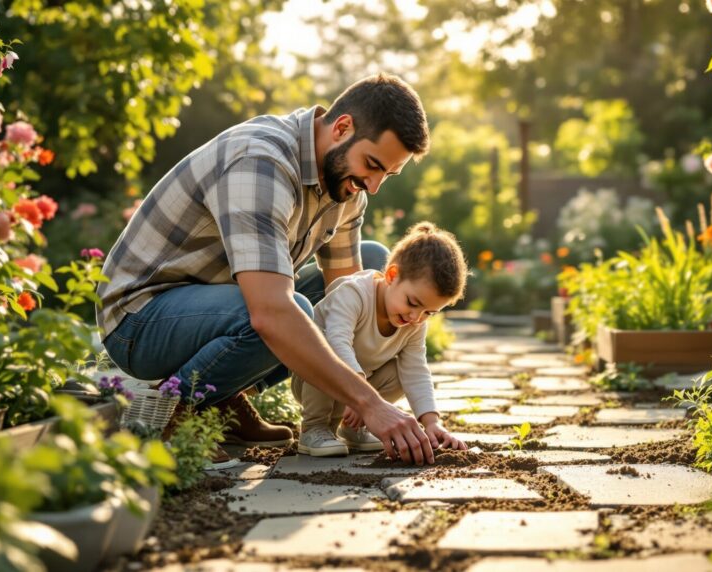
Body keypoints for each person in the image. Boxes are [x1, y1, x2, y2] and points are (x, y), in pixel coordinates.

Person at [97, 73, 439, 465]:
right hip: (141, 320)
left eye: (387, 175)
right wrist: (371, 403)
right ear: (342, 128)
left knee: (374, 273)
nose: (374, 186)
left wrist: (360, 399)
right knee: (285, 311)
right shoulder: (260, 161)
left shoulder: (347, 186)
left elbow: (349, 298)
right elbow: (270, 312)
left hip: (222, 306)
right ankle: (180, 414)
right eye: (372, 165)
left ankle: (224, 400)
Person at [295, 222, 468, 457]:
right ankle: (314, 428)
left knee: (402, 372)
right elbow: (337, 344)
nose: (416, 317)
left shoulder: (414, 323)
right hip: (318, 380)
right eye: (413, 303)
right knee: (322, 349)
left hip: (360, 390)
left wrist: (431, 422)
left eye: (429, 312)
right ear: (392, 275)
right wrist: (361, 398)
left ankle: (354, 427)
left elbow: (416, 370)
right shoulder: (353, 294)